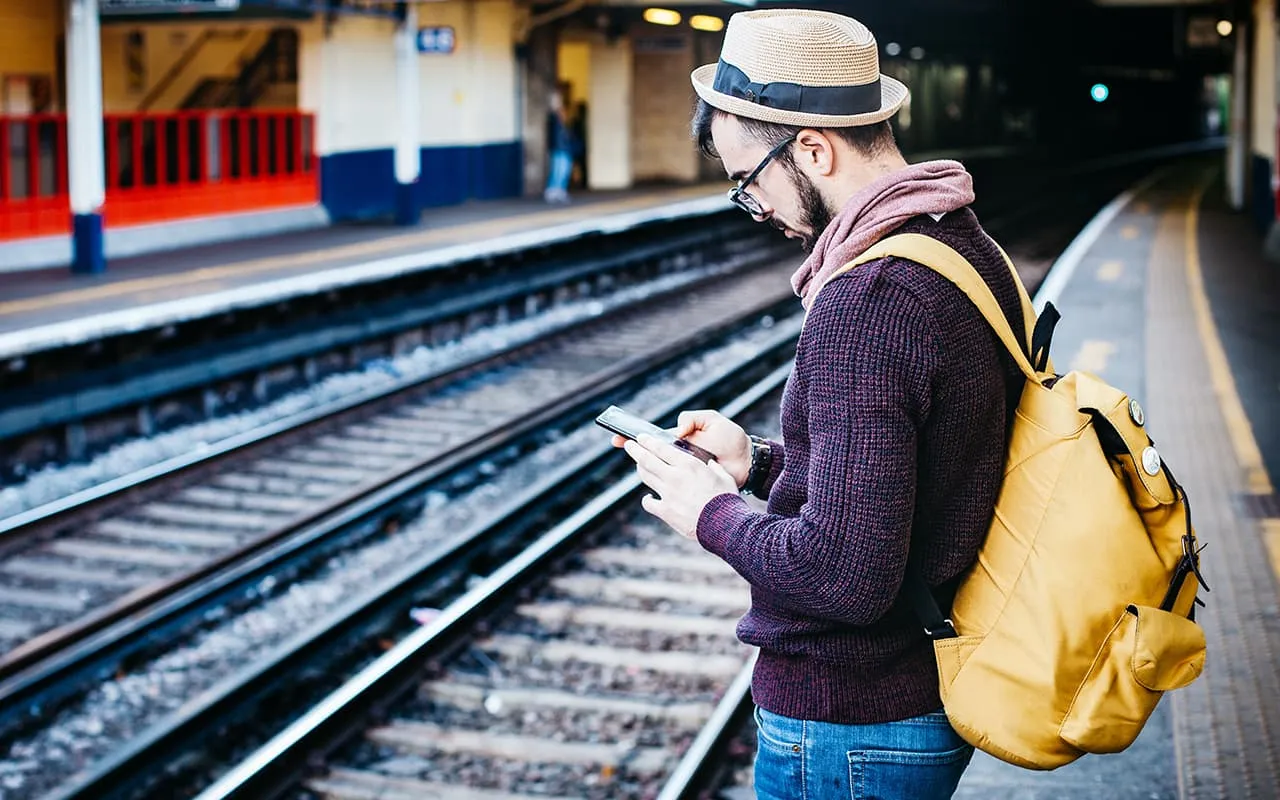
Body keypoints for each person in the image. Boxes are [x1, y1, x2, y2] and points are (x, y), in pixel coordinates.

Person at [614, 9, 1028, 799]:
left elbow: (843, 575)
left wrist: (712, 510)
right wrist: (760, 463)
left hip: (851, 725)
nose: (757, 207)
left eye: (750, 180)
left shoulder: (868, 298)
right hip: (917, 697)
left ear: (812, 148)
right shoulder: (965, 243)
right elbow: (919, 474)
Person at [544, 90, 576, 203]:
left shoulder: (563, 125)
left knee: (564, 169)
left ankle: (559, 190)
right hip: (558, 148)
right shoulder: (553, 118)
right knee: (558, 169)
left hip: (564, 148)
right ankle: (553, 190)